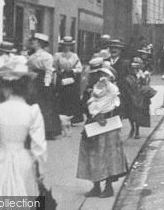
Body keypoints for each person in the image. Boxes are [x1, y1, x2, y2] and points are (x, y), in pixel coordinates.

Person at [0, 64, 47, 197]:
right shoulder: (32, 111)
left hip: (0, 159)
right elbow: (39, 145)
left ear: (5, 88)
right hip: (23, 160)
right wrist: (40, 169)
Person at [77, 65, 127, 198]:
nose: (100, 78)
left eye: (102, 75)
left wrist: (107, 115)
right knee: (92, 155)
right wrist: (93, 113)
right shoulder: (91, 90)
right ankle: (96, 186)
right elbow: (82, 105)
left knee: (109, 156)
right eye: (97, 75)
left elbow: (120, 107)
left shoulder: (114, 91)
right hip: (93, 125)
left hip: (108, 126)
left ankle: (109, 186)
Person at [27, 32, 61, 139]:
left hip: (42, 82)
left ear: (40, 43)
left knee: (46, 106)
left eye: (35, 41)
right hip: (33, 81)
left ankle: (48, 130)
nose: (32, 42)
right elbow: (28, 68)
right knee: (33, 104)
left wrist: (47, 84)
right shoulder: (31, 56)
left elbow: (48, 71)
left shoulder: (47, 56)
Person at [53, 36, 83, 122]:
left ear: (71, 46)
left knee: (71, 98)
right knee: (60, 97)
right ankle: (61, 117)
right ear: (62, 46)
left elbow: (79, 68)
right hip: (61, 77)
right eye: (65, 45)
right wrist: (58, 71)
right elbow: (53, 66)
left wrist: (72, 71)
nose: (66, 47)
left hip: (71, 79)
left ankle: (72, 118)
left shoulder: (74, 56)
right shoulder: (57, 55)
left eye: (69, 45)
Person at [125, 57, 154, 139]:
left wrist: (144, 78)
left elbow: (146, 84)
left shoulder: (143, 74)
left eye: (137, 67)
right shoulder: (129, 75)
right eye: (133, 67)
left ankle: (137, 130)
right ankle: (132, 127)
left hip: (140, 96)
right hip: (131, 95)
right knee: (130, 114)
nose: (135, 69)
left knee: (138, 113)